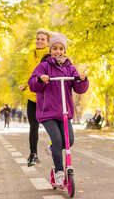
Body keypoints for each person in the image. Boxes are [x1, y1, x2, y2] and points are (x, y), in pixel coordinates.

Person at [28, 34, 89, 187]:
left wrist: (82, 79)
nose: (58, 52)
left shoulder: (70, 68)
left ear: (64, 50)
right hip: (48, 112)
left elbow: (79, 89)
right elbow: (32, 83)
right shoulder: (44, 66)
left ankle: (51, 149)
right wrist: (40, 79)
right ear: (50, 50)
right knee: (57, 140)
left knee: (69, 141)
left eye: (61, 49)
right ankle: (60, 172)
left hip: (64, 112)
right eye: (55, 48)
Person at [19, 29, 53, 167]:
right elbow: (30, 74)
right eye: (38, 38)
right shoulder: (30, 55)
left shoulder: (51, 56)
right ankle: (33, 155)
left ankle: (52, 146)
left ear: (48, 42)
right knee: (33, 126)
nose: (39, 41)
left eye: (42, 39)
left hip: (46, 96)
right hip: (32, 95)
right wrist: (24, 84)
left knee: (51, 124)